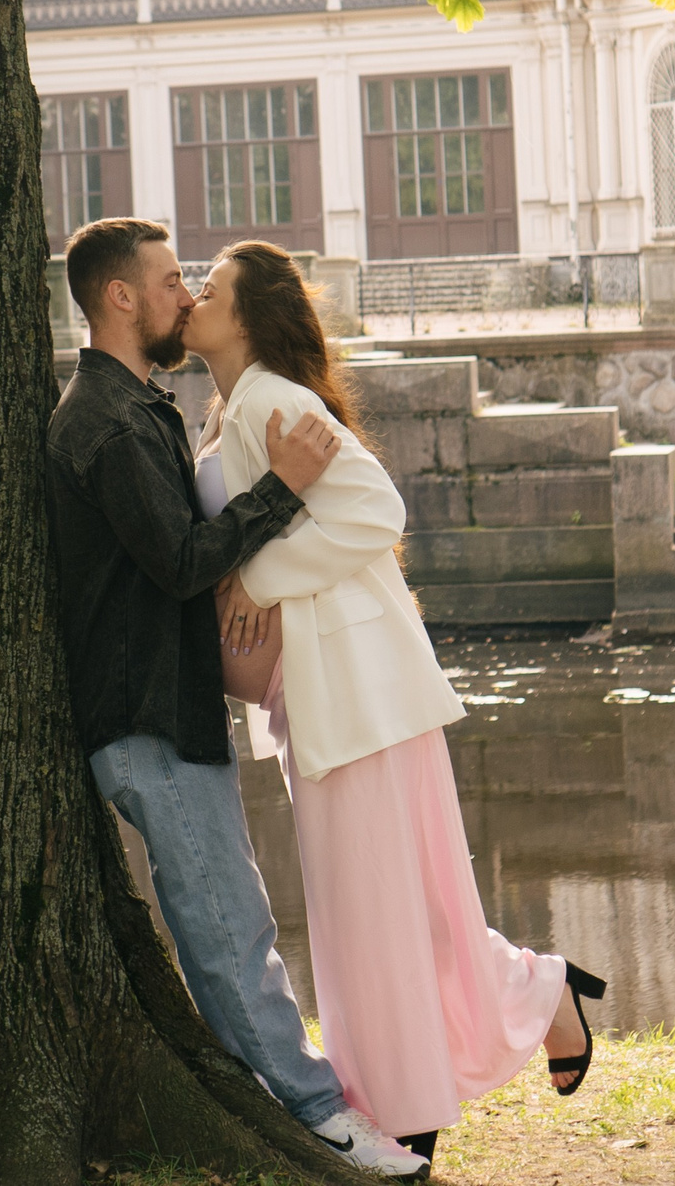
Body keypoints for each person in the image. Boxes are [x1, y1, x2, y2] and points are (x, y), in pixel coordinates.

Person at [186, 241, 609, 1163]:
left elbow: (378, 509)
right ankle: (535, 998)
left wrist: (257, 581)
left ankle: (402, 1110)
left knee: (374, 914)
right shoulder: (229, 409)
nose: (191, 297)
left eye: (208, 288)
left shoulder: (272, 400)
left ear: (249, 315)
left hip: (355, 686)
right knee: (395, 905)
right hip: (326, 691)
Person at [43, 217, 425, 1179]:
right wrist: (283, 488)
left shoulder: (139, 407)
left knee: (226, 917)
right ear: (121, 297)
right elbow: (180, 560)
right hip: (145, 717)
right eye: (171, 280)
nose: (185, 295)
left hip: (168, 710)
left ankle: (276, 1101)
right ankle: (320, 1117)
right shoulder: (106, 421)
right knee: (229, 925)